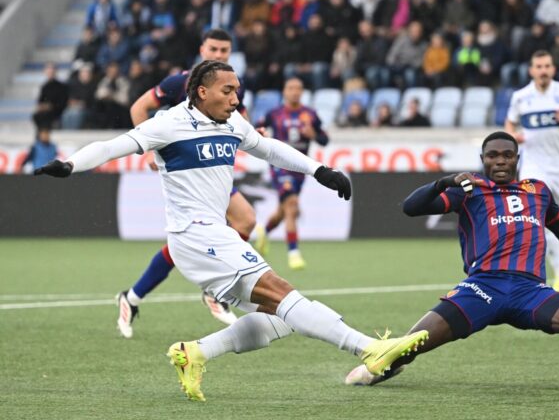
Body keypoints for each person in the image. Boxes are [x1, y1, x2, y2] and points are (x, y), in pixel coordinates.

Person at [34, 60, 428, 401]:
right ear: (201, 91)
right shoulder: (168, 124)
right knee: (283, 293)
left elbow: (269, 148)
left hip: (211, 236)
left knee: (282, 318)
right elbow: (111, 146)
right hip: (197, 236)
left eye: (237, 91)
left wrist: (318, 170)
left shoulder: (232, 121)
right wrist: (70, 165)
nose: (236, 99)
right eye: (228, 91)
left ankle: (196, 352)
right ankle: (369, 349)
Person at [344, 132, 559, 386]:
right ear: (483, 160)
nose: (500, 161)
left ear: (516, 159)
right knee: (411, 343)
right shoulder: (470, 191)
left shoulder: (538, 191)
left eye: (507, 155)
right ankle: (386, 367)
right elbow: (410, 207)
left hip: (530, 291)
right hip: (481, 289)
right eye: (492, 156)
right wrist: (443, 182)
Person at [115, 29, 265, 338]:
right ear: (202, 49)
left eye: (225, 50)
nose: (219, 54)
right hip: (184, 172)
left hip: (213, 170)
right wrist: (148, 149)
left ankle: (133, 297)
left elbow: (241, 123)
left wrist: (256, 133)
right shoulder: (177, 83)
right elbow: (138, 109)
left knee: (238, 223)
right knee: (207, 231)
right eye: (214, 48)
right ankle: (213, 291)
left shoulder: (234, 85)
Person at [504, 50, 559, 296]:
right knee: (539, 218)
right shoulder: (521, 97)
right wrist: (511, 136)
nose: (543, 70)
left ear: (553, 69)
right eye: (538, 66)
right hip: (533, 165)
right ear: (531, 70)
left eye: (547, 66)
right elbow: (510, 123)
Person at [258, 78, 329, 270]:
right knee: (292, 205)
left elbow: (324, 139)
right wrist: (262, 136)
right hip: (280, 166)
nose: (295, 92)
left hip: (300, 169)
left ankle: (264, 231)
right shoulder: (274, 114)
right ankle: (294, 252)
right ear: (284, 91)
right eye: (291, 88)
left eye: (298, 88)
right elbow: (257, 131)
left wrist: (313, 135)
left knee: (283, 211)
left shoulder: (310, 114)